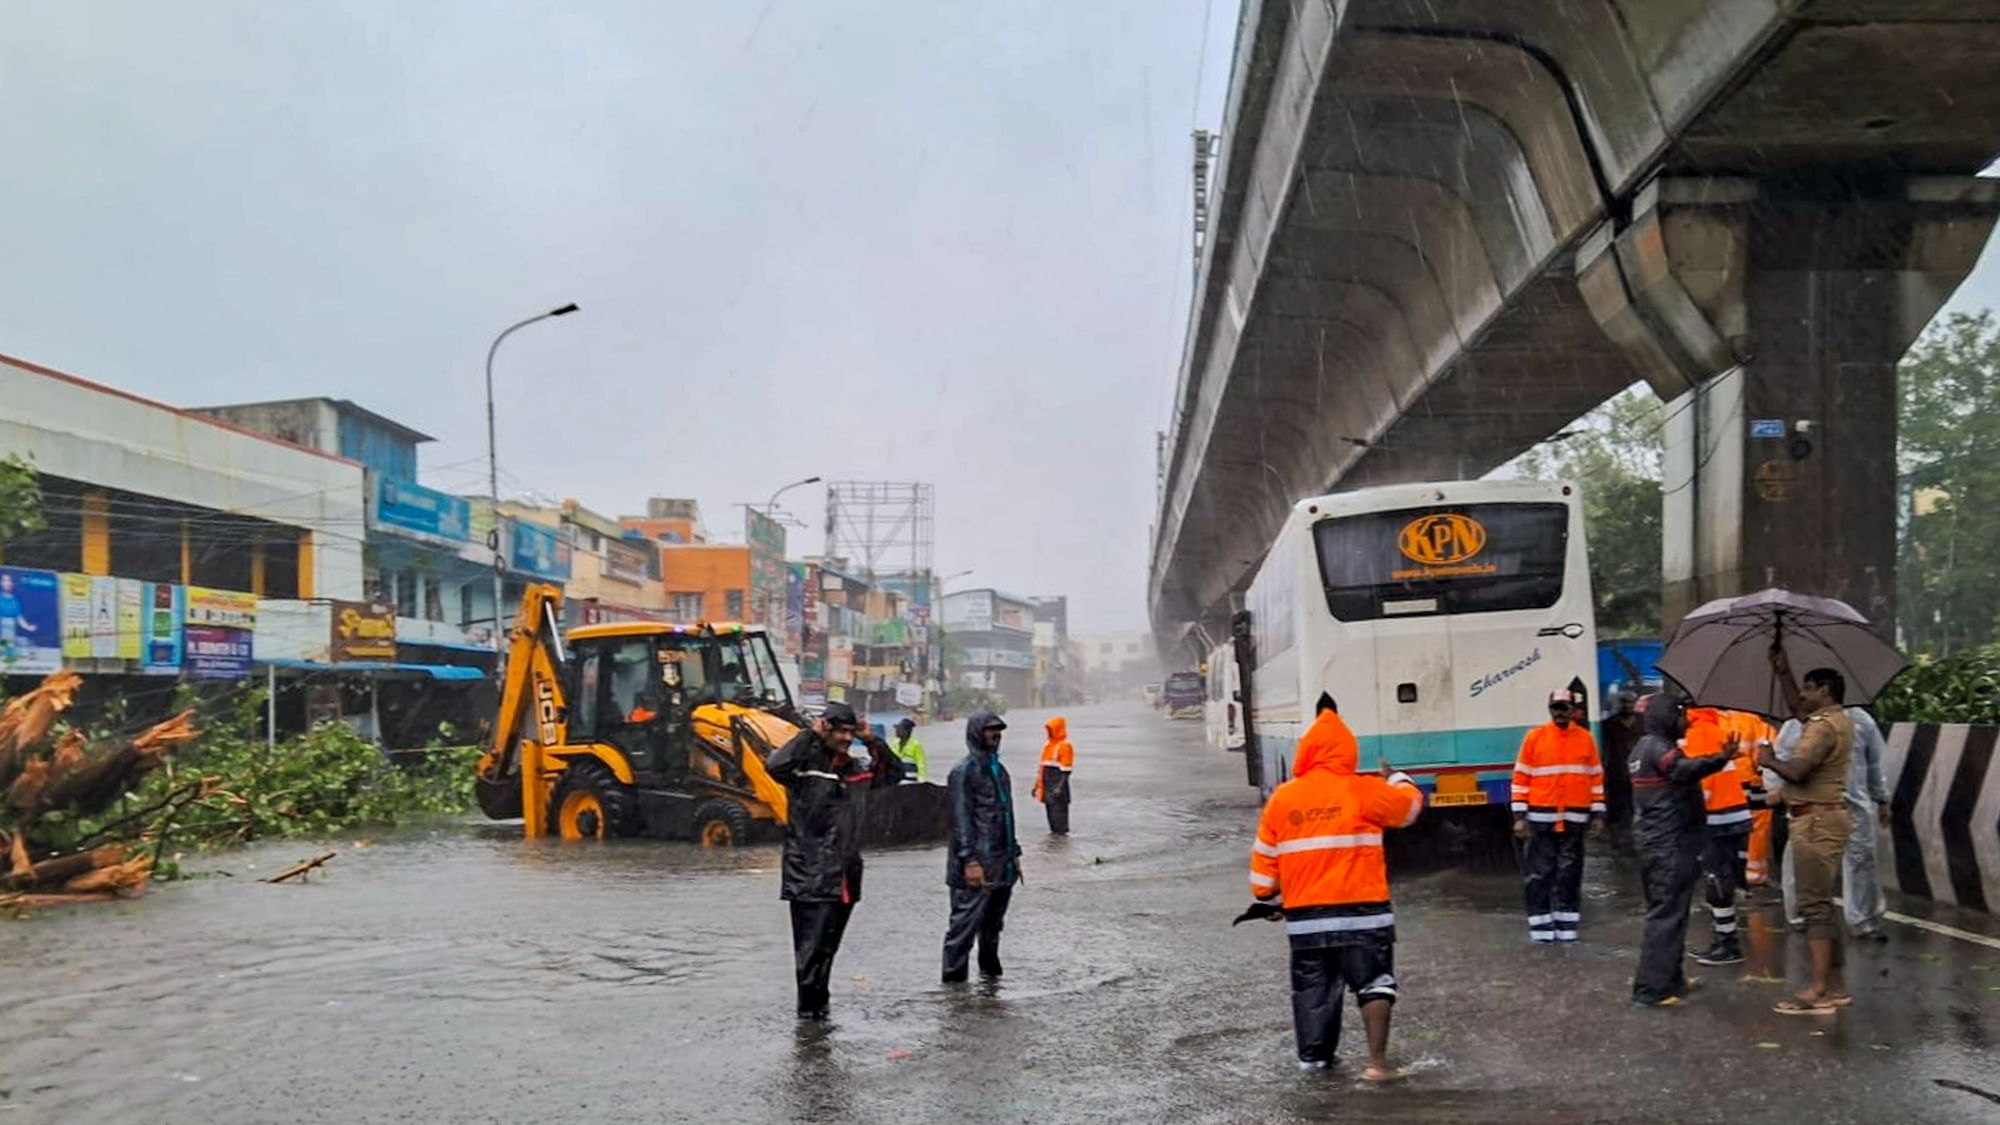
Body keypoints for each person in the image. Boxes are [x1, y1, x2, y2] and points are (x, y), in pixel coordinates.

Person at [1247, 693, 1423, 1078]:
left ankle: (1315, 1065)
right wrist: (1398, 778)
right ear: (1347, 750)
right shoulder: (1362, 790)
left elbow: (1262, 874)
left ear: (1306, 750)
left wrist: (1268, 898)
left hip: (1305, 921)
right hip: (1363, 915)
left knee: (1312, 991)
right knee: (1374, 982)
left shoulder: (1283, 798)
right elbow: (1410, 809)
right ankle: (1377, 1065)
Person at [765, 702, 896, 1021]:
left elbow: (894, 773)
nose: (846, 738)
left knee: (827, 952)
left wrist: (872, 739)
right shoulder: (804, 767)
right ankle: (809, 1022)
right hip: (810, 875)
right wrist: (810, 735)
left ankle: (819, 1016)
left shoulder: (856, 770)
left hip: (845, 878)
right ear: (826, 729)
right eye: (840, 731)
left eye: (851, 732)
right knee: (809, 955)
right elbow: (774, 765)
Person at [1630, 693, 1742, 1007]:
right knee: (1665, 917)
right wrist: (1721, 758)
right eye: (1680, 714)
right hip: (1668, 845)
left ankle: (1672, 979)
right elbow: (1682, 770)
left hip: (1661, 843)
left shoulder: (1644, 747)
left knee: (1674, 915)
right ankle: (1651, 990)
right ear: (1666, 717)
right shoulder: (1660, 749)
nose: (1687, 720)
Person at [1757, 667, 1856, 1015]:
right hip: (1824, 817)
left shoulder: (1823, 728)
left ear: (1825, 691)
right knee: (1825, 906)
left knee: (1814, 906)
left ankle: (1818, 991)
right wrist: (1782, 669)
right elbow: (1800, 712)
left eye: (1808, 688)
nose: (1801, 694)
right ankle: (1837, 985)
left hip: (1815, 822)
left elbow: (1798, 770)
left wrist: (1769, 760)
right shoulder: (1834, 720)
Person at [1510, 689, 1604, 943]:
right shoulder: (1535, 738)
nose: (1559, 713)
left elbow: (1595, 778)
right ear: (1549, 710)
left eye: (1564, 708)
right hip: (1542, 819)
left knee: (1569, 874)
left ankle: (1567, 926)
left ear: (1573, 711)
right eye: (1555, 708)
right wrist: (1519, 815)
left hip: (1574, 820)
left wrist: (1598, 814)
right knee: (1539, 875)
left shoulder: (1585, 739)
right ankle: (1541, 928)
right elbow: (1521, 778)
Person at [942, 709, 1021, 983]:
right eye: (989, 729)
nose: (995, 735)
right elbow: (960, 820)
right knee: (963, 928)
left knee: (992, 926)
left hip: (1001, 863)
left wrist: (1015, 853)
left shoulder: (1000, 771)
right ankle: (954, 987)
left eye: (998, 730)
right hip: (974, 865)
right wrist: (969, 861)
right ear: (976, 732)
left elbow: (1006, 814)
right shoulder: (963, 772)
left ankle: (990, 982)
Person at [1687, 707, 1753, 966]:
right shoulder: (1716, 728)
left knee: (1716, 882)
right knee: (1722, 881)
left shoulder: (1697, 734)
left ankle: (1727, 944)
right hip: (1733, 815)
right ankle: (1724, 939)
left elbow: (1704, 780)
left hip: (1716, 818)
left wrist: (1693, 818)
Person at [1840, 705, 1892, 941]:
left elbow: (1875, 763)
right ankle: (1804, 916)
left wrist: (1881, 798)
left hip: (1853, 804)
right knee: (1806, 866)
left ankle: (1863, 921)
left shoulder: (1860, 720)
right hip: (1814, 806)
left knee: (1861, 859)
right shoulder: (1799, 723)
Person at [1598, 691, 1642, 854]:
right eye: (1624, 703)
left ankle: (1635, 839)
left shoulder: (1642, 722)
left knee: (1636, 805)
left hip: (1638, 770)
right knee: (1616, 807)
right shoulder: (1610, 724)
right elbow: (1603, 747)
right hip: (1616, 771)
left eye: (1631, 703)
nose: (1628, 706)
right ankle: (1616, 839)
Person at [1032, 716, 1075, 835]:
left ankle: (1061, 846)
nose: (1049, 732)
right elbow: (1042, 769)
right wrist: (1036, 786)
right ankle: (1055, 844)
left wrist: (1059, 788)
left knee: (1060, 820)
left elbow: (1066, 771)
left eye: (1051, 729)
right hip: (1047, 787)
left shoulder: (1065, 746)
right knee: (1051, 818)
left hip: (1058, 787)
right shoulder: (1048, 746)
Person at [892, 717, 929, 784]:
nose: (896, 731)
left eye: (899, 729)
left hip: (911, 780)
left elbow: (921, 764)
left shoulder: (915, 745)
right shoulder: (895, 743)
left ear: (906, 731)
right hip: (897, 778)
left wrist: (922, 782)